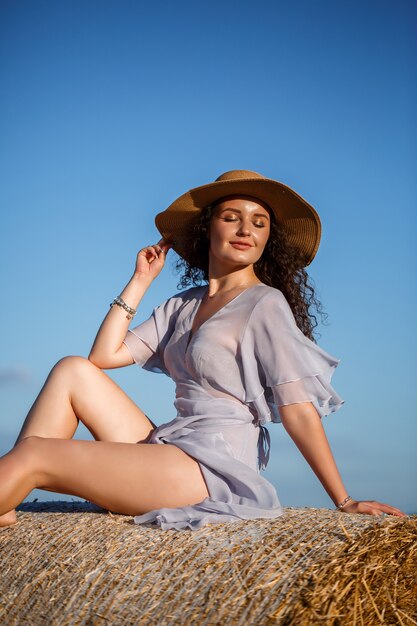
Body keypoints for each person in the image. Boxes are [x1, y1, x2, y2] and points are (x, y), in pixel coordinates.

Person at [0, 170, 406, 530]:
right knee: (71, 369)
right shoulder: (183, 303)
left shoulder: (265, 304)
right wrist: (140, 281)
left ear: (269, 239)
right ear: (207, 229)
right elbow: (102, 358)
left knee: (36, 454)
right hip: (169, 445)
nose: (246, 229)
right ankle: (8, 498)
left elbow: (297, 409)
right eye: (232, 218)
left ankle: (14, 480)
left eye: (259, 222)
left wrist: (344, 500)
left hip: (209, 466)